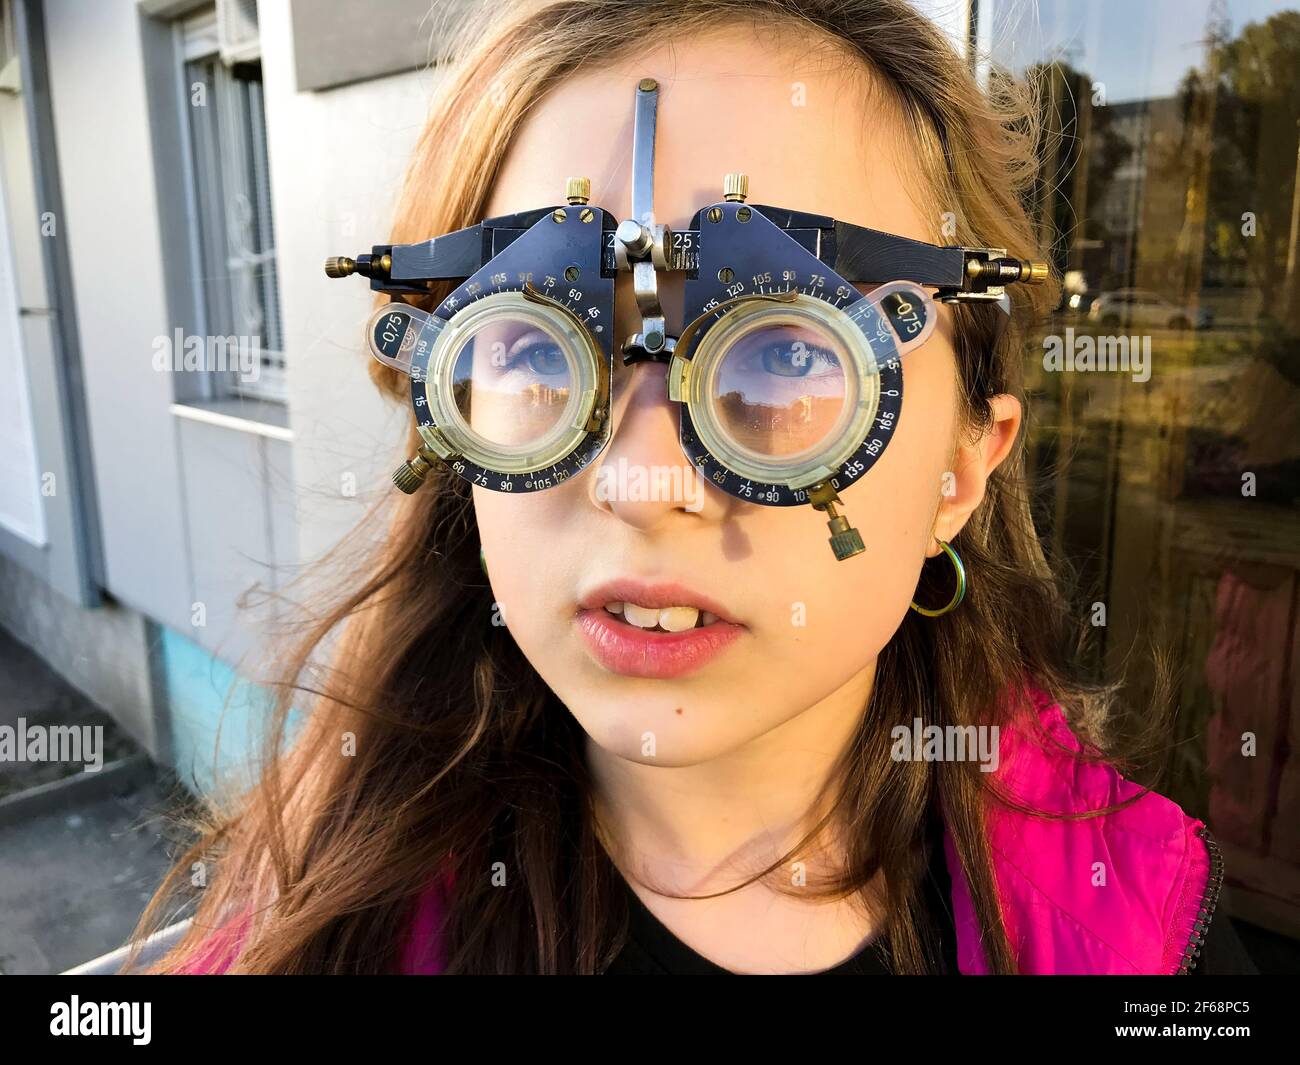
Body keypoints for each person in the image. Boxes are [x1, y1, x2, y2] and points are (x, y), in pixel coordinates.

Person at [135, 0, 1255, 975]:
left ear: (961, 469)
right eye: (537, 350)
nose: (640, 478)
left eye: (785, 352)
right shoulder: (314, 915)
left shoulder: (1142, 932)